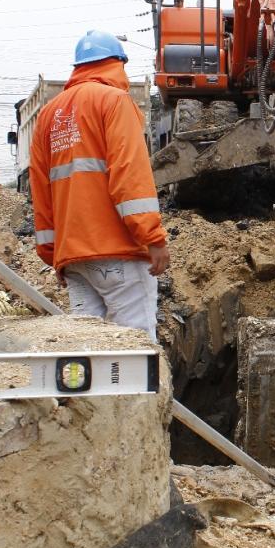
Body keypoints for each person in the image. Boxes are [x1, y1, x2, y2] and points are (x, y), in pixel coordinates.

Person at [30, 30, 169, 340]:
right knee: (136, 347)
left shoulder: (48, 115)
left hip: (74, 259)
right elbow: (130, 178)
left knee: (87, 354)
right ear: (117, 63)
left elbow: (41, 194)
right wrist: (153, 237)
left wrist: (54, 254)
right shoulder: (115, 101)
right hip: (117, 252)